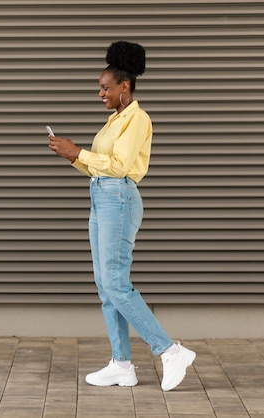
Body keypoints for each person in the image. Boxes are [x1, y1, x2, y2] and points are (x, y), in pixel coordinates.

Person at [47, 40, 196, 392]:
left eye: (105, 87)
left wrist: (79, 150)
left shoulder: (138, 119)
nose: (100, 93)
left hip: (120, 199)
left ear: (124, 86)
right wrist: (72, 157)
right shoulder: (113, 121)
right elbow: (101, 170)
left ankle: (170, 350)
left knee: (116, 283)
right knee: (105, 286)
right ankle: (121, 364)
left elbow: (120, 167)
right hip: (102, 196)